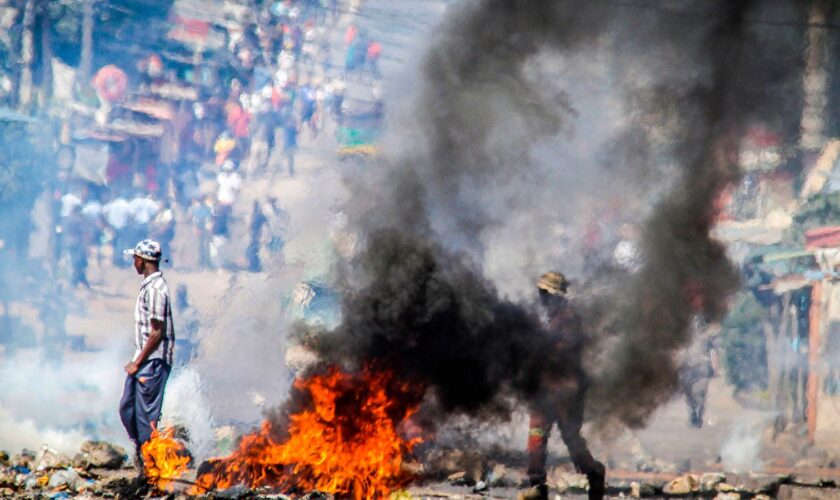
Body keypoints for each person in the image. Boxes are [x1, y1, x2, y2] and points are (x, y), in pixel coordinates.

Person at [521, 271, 605, 500]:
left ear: (555, 295)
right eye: (541, 293)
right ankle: (537, 485)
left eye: (545, 293)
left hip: (566, 390)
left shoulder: (567, 319)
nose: (541, 298)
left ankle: (595, 473)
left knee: (571, 438)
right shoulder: (551, 318)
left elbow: (559, 353)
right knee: (536, 436)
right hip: (545, 389)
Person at [118, 239, 175, 477]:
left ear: (141, 260)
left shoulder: (155, 290)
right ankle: (144, 456)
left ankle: (152, 471)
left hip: (152, 363)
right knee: (127, 409)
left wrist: (137, 362)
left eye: (135, 259)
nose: (134, 262)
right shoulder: (149, 287)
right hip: (144, 361)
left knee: (146, 420)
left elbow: (157, 333)